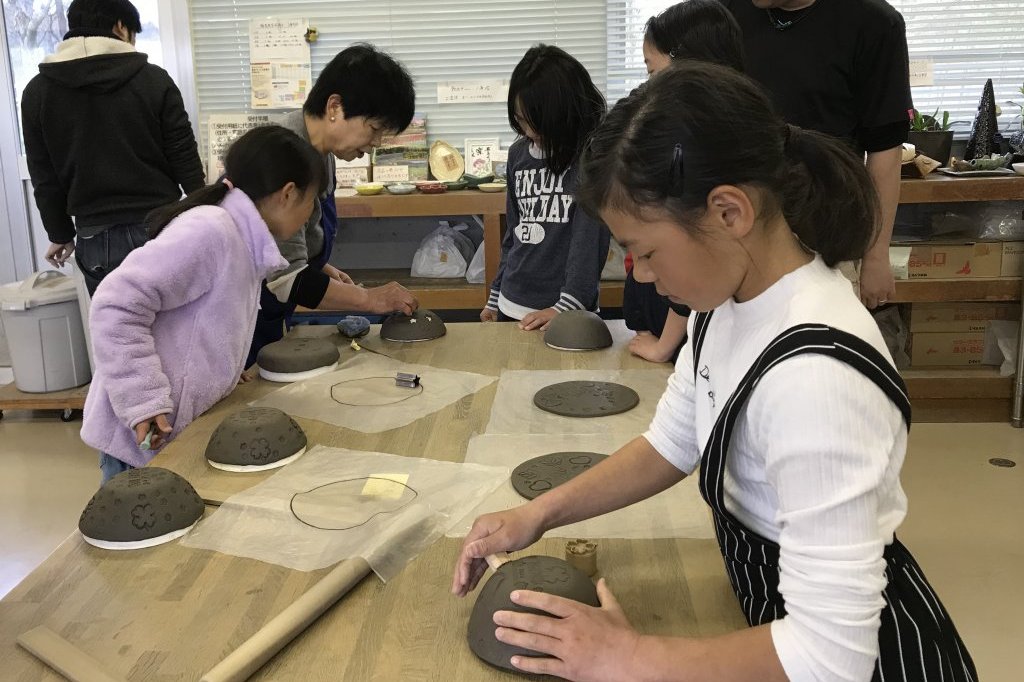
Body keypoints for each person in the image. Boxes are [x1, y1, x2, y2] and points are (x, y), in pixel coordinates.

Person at [453, 62, 976, 682]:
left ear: (729, 212)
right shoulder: (726, 300)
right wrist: (538, 514)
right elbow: (672, 442)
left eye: (645, 252)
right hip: (767, 626)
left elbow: (831, 655)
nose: (639, 275)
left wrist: (631, 656)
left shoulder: (817, 376)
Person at [81, 126, 323, 484]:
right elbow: (115, 305)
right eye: (311, 201)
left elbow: (200, 323)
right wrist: (143, 401)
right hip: (144, 435)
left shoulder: (245, 238)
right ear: (288, 194)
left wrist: (218, 371)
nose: (309, 215)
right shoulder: (210, 231)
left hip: (182, 431)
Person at [721, 0, 912, 310]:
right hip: (741, 231)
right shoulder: (725, 13)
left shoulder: (873, 23)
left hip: (827, 236)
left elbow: (885, 149)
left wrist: (876, 255)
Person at [249, 44, 419, 366]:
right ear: (335, 107)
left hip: (271, 310)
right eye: (374, 130)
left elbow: (294, 242)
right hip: (247, 314)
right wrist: (370, 298)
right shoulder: (285, 156)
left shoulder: (321, 151)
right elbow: (287, 278)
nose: (375, 145)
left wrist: (320, 265)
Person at [22, 0, 204, 296]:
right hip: (160, 226)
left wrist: (60, 232)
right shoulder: (154, 80)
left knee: (117, 334)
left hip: (96, 237)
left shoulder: (37, 92)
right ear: (121, 26)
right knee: (175, 331)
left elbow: (44, 176)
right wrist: (204, 209)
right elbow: (182, 152)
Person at [626, 0, 746, 363]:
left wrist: (664, 346)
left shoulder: (710, 157)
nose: (648, 89)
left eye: (652, 72)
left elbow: (699, 265)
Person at [481, 45, 609, 331]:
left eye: (536, 122)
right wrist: (495, 295)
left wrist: (567, 305)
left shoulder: (589, 161)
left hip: (565, 311)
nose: (528, 132)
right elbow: (514, 234)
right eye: (521, 120)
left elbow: (588, 243)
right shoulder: (518, 155)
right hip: (510, 303)